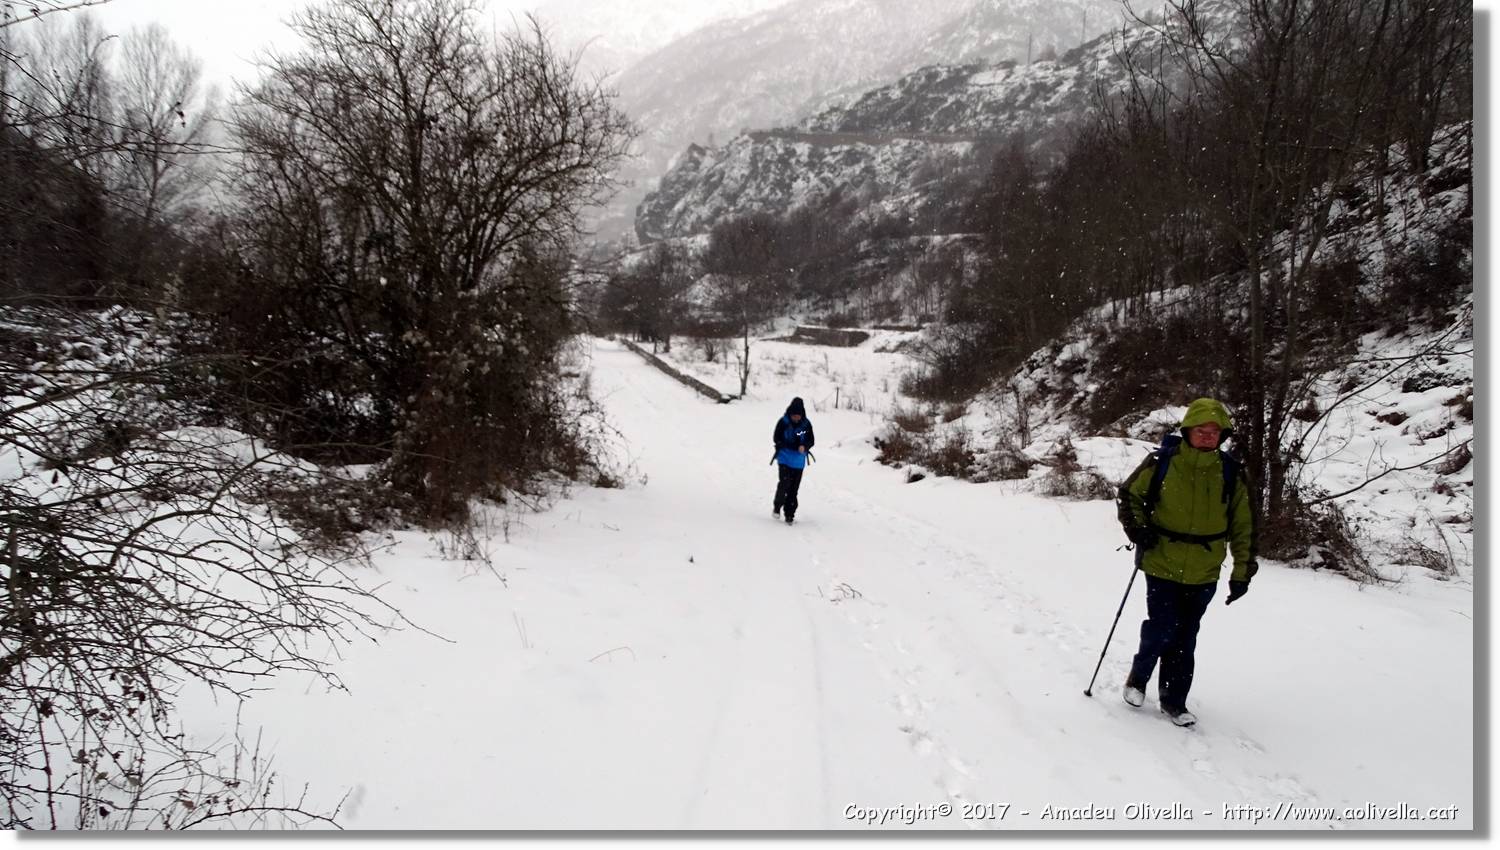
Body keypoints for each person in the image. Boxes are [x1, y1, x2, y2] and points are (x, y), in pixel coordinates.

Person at [1115, 398, 1257, 727]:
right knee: (1162, 626)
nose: (1207, 435)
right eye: (1200, 430)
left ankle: (1173, 701)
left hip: (1204, 568)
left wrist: (1242, 573)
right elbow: (1129, 495)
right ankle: (1139, 677)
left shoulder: (1230, 473)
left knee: (1185, 635)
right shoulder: (1161, 461)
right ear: (1188, 431)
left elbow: (1243, 525)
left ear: (1222, 435)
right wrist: (1138, 530)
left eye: (1214, 431)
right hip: (1162, 559)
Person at [771, 397, 815, 524]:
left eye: (798, 416)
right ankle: (777, 506)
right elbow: (776, 437)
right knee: (784, 484)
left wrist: (805, 446)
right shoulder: (783, 422)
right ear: (790, 414)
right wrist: (783, 444)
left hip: (798, 462)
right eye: (794, 416)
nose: (796, 418)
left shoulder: (806, 425)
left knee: (793, 489)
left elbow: (811, 440)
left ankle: (790, 514)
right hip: (784, 458)